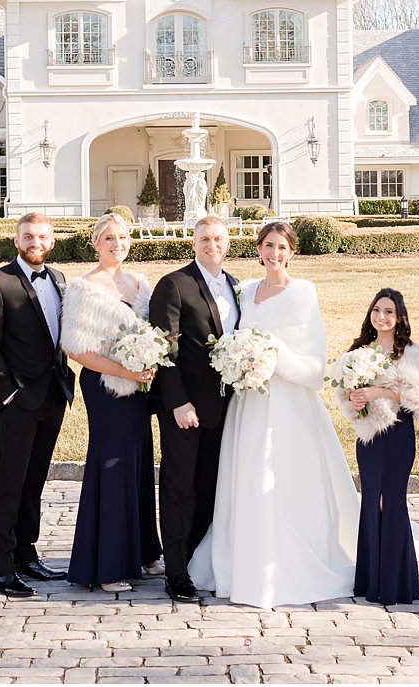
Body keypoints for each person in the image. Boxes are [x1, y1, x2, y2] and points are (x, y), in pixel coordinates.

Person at [188, 221, 359, 608]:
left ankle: (281, 568)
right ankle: (239, 563)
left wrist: (272, 359)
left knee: (279, 483)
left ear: (292, 252)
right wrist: (240, 363)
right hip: (247, 405)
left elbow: (315, 369)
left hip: (287, 408)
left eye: (282, 247)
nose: (274, 254)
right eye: (268, 246)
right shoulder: (245, 291)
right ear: (258, 249)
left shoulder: (303, 294)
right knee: (244, 481)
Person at [60, 213, 165, 593]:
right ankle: (106, 565)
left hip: (139, 388)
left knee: (138, 462)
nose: (117, 243)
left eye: (122, 237)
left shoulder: (140, 284)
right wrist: (125, 371)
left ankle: (143, 551)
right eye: (109, 238)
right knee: (113, 465)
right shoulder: (84, 288)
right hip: (106, 387)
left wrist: (146, 364)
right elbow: (77, 349)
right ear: (96, 243)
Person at [0, 211, 73, 599]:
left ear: (51, 242)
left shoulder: (59, 280)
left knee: (35, 480)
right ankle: (0, 567)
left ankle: (26, 553)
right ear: (17, 240)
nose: (36, 243)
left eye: (43, 237)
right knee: (11, 483)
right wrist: (8, 390)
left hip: (53, 396)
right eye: (29, 236)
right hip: (17, 399)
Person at [149, 215, 240, 603]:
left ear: (227, 243)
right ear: (193, 243)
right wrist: (177, 402)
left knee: (210, 489)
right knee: (178, 488)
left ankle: (201, 564)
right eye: (204, 238)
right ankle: (176, 571)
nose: (211, 244)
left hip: (226, 408)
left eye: (218, 238)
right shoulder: (174, 284)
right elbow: (163, 349)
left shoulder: (237, 286)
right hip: (185, 408)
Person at [336, 289, 419, 606]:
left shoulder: (414, 354)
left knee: (388, 502)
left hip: (397, 436)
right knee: (370, 502)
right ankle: (371, 580)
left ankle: (396, 583)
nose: (381, 316)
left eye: (389, 311)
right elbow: (344, 397)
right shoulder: (359, 353)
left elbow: (418, 399)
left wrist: (379, 390)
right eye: (376, 310)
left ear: (399, 316)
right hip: (368, 438)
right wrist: (354, 397)